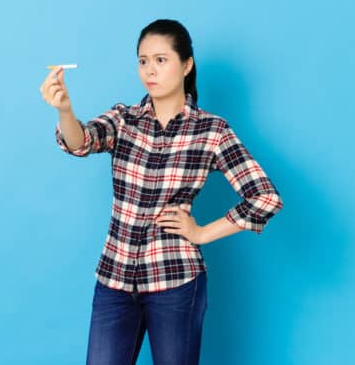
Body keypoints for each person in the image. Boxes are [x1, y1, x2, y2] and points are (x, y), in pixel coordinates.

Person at [39, 19, 284, 364]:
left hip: (176, 281)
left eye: (160, 60)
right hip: (115, 278)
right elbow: (81, 141)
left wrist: (200, 233)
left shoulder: (211, 131)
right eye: (142, 61)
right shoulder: (125, 119)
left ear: (186, 65)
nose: (149, 70)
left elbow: (265, 198)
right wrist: (65, 110)